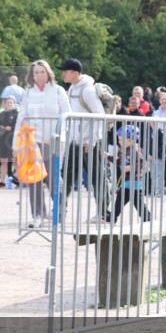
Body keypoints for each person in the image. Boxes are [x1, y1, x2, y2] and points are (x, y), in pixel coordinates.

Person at [14, 60, 71, 228]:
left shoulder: (58, 91)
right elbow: (21, 117)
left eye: (42, 71)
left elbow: (66, 115)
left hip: (53, 141)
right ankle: (37, 215)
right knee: (34, 179)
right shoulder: (28, 93)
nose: (39, 75)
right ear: (32, 75)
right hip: (33, 142)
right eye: (36, 72)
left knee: (54, 178)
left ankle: (60, 210)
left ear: (48, 73)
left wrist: (59, 135)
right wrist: (15, 143)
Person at [59, 58, 108, 219]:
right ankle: (60, 209)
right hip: (75, 141)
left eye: (65, 71)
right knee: (66, 175)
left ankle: (103, 212)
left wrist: (92, 141)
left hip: (90, 142)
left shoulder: (87, 90)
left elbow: (100, 116)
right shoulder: (72, 89)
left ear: (75, 73)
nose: (63, 74)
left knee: (97, 177)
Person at [106, 126, 152, 223]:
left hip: (135, 182)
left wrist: (131, 167)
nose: (120, 141)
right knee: (120, 200)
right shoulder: (123, 150)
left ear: (132, 140)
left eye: (122, 139)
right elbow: (119, 162)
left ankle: (147, 217)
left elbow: (142, 163)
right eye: (119, 139)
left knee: (137, 202)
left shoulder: (134, 150)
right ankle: (113, 216)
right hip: (126, 181)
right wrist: (108, 157)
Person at [0, 96, 19, 187]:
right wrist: (2, 128)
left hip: (12, 139)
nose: (9, 104)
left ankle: (19, 180)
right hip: (2, 139)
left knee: (15, 160)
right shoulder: (2, 113)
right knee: (3, 161)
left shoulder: (17, 114)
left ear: (14, 103)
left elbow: (18, 126)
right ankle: (2, 181)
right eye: (7, 102)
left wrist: (11, 128)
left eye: (11, 102)